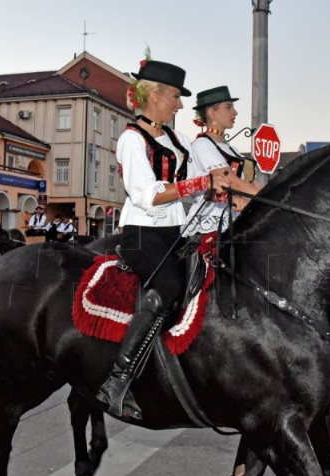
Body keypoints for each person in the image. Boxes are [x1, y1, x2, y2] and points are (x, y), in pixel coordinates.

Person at [95, 57, 230, 420]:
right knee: (167, 288)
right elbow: (148, 194)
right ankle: (117, 381)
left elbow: (197, 173)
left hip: (176, 229)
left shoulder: (175, 138)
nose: (180, 104)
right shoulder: (131, 139)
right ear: (154, 96)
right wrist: (201, 183)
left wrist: (220, 180)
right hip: (142, 233)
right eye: (175, 96)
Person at [184, 86, 262, 236]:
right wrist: (270, 200)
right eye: (228, 107)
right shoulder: (202, 145)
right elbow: (233, 182)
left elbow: (253, 184)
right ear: (212, 112)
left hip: (237, 225)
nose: (235, 112)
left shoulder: (233, 150)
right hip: (211, 227)